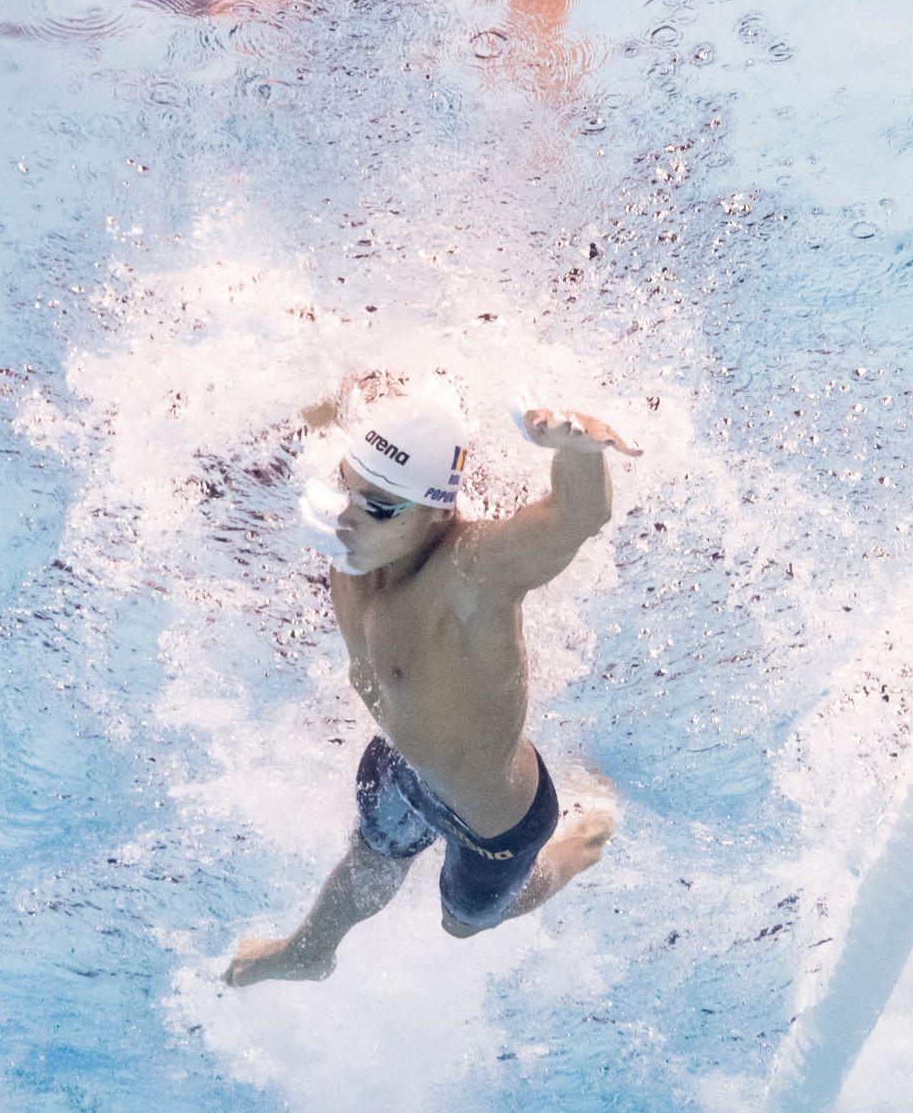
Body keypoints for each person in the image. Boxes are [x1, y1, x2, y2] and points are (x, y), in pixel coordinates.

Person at [227, 395, 629, 985]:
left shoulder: (471, 571)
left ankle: (582, 842)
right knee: (370, 858)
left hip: (494, 823)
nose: (349, 518)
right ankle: (311, 952)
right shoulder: (353, 547)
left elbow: (577, 518)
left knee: (463, 921)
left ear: (437, 514)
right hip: (401, 762)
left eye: (380, 507)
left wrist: (578, 450)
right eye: (347, 489)